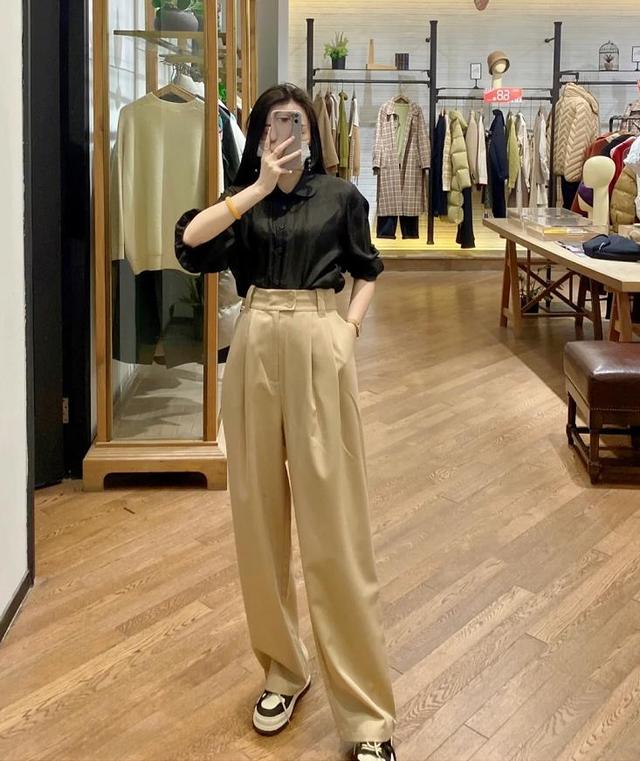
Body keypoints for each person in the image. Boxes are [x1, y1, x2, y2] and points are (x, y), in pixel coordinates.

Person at [175, 83, 397, 761]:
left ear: (313, 131)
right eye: (275, 122)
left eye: (297, 121)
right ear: (259, 133)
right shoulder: (243, 201)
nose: (288, 131)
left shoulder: (340, 196)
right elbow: (190, 242)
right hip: (255, 339)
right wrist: (255, 187)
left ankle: (367, 717)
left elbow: (367, 269)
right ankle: (282, 670)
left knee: (337, 527)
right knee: (257, 518)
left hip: (318, 337)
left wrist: (347, 331)